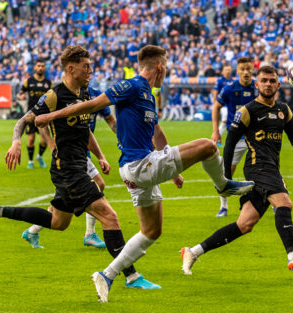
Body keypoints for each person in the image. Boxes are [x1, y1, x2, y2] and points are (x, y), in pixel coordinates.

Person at [34, 45, 255, 303]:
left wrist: (173, 172)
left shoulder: (149, 95)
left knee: (151, 231)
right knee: (207, 146)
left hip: (142, 168)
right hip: (139, 165)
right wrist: (51, 116)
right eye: (167, 67)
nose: (166, 72)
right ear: (159, 67)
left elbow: (157, 134)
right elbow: (93, 104)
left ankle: (107, 275)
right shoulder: (131, 85)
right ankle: (223, 186)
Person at [0, 45, 159, 295]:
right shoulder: (54, 96)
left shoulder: (85, 93)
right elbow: (24, 120)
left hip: (77, 165)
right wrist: (16, 140)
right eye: (86, 66)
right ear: (71, 68)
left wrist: (100, 155)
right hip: (67, 169)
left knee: (57, 222)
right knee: (110, 217)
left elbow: (85, 131)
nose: (90, 70)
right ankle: (131, 276)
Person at [180, 66, 293, 275]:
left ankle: (192, 251)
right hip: (258, 166)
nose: (268, 84)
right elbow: (229, 144)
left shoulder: (283, 109)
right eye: (264, 80)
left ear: (278, 84)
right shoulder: (247, 111)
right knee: (284, 203)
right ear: (257, 84)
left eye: (271, 80)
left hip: (271, 167)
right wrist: (225, 179)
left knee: (244, 224)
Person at [21, 86, 117, 249]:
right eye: (85, 67)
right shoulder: (60, 94)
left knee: (65, 201)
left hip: (81, 152)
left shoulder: (94, 95)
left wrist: (106, 151)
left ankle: (33, 230)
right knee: (96, 185)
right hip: (69, 155)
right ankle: (89, 233)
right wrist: (52, 147)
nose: (88, 72)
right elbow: (41, 120)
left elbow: (106, 121)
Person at [211, 57, 258, 217]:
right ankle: (223, 206)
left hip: (255, 137)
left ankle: (273, 202)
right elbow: (216, 107)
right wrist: (216, 131)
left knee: (266, 168)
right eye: (242, 69)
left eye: (248, 69)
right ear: (237, 71)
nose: (245, 72)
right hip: (235, 137)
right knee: (226, 172)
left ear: (253, 70)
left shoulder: (258, 88)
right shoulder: (230, 88)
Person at [18, 59, 53, 169]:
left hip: (43, 115)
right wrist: (21, 97)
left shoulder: (48, 83)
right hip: (30, 115)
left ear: (45, 68)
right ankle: (31, 161)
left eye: (42, 66)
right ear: (34, 67)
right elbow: (20, 93)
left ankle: (39, 156)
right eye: (38, 66)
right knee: (31, 139)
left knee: (45, 141)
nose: (41, 68)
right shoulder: (28, 81)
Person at [212, 63, 233, 147]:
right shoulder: (220, 81)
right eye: (226, 70)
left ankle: (221, 138)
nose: (228, 71)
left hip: (230, 105)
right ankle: (216, 137)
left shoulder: (233, 81)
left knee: (229, 121)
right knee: (224, 118)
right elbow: (215, 92)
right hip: (222, 104)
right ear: (223, 72)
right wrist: (215, 103)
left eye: (229, 70)